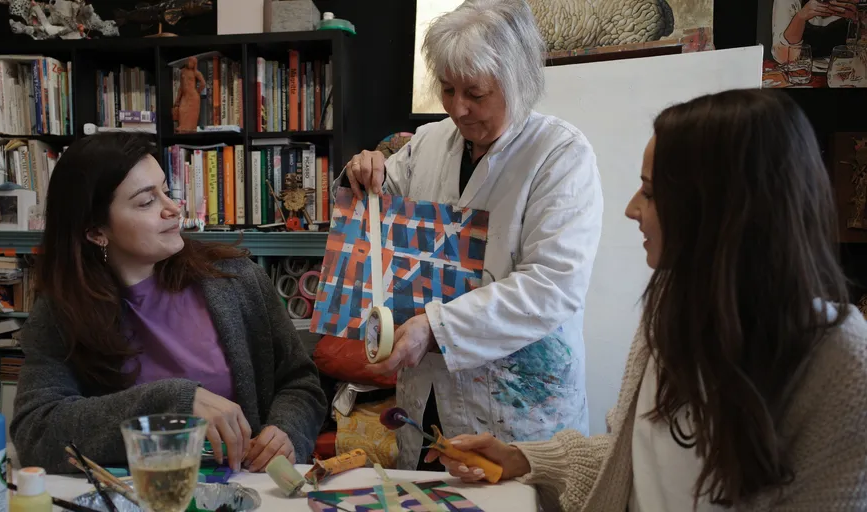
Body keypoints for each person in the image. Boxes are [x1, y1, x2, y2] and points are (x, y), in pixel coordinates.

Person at [425, 89, 867, 511]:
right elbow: (636, 457)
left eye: (651, 193)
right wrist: (522, 458)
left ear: (720, 209)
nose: (632, 208)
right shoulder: (671, 313)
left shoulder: (840, 360)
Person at [343, 0, 603, 471]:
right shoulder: (427, 146)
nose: (458, 109)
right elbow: (372, 214)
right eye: (447, 90)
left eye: (475, 93)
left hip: (519, 409)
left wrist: (436, 326)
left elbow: (553, 285)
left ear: (518, 80)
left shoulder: (560, 154)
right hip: (427, 399)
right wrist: (363, 173)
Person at [11, 132, 328, 475]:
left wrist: (286, 431)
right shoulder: (62, 309)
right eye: (146, 202)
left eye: (166, 190)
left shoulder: (237, 280)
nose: (173, 208)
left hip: (243, 491)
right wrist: (172, 403)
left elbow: (301, 384)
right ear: (96, 232)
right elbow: (36, 432)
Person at [772, 0, 859, 63]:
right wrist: (800, 18)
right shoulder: (787, 2)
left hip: (849, 73)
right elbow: (782, 58)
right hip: (802, 74)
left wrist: (860, 19)